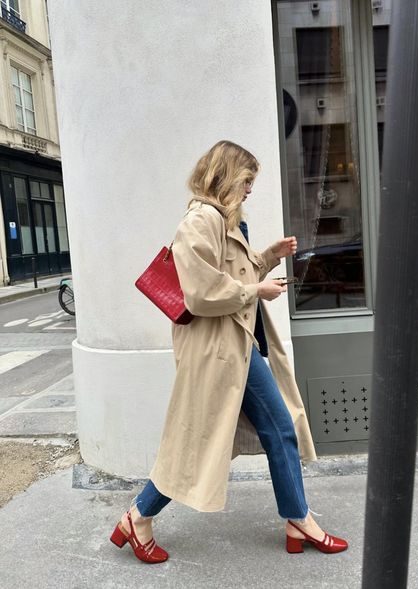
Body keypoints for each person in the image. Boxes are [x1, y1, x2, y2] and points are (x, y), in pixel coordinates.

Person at [110, 140, 348, 563]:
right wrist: (256, 289)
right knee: (198, 444)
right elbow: (201, 293)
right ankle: (138, 516)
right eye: (247, 180)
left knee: (278, 429)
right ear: (224, 175)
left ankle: (297, 517)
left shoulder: (226, 220)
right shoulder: (199, 222)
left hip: (239, 344)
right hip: (219, 349)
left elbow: (232, 273)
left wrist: (269, 258)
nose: (251, 189)